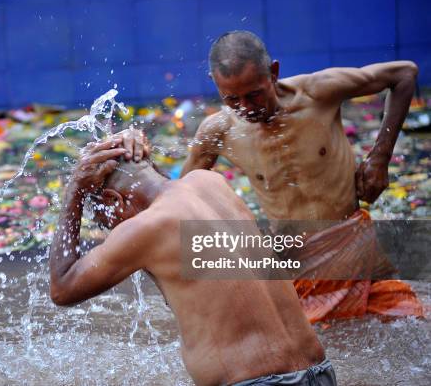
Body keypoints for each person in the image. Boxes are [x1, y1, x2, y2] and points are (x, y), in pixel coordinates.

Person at [119, 30, 422, 323]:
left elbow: (404, 74)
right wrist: (138, 150)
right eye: (232, 100)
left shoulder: (319, 92)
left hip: (354, 251)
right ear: (216, 86)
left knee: (410, 324)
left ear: (273, 73)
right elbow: (176, 199)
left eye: (254, 95)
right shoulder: (218, 131)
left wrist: (379, 157)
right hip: (293, 267)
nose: (246, 108)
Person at [49, 136, 336, 386]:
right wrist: (132, 148)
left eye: (104, 221)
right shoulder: (210, 182)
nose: (111, 229)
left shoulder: (146, 228)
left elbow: (63, 288)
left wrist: (74, 189)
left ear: (113, 201)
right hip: (320, 373)